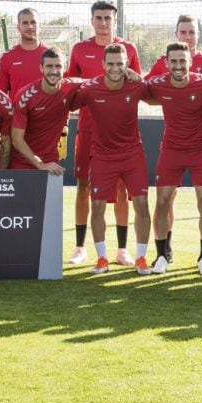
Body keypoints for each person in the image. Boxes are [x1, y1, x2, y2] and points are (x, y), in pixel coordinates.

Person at [66, 0, 141, 267]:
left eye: (108, 18)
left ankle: (122, 250)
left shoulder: (129, 49)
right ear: (91, 20)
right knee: (83, 186)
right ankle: (79, 247)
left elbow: (138, 84)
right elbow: (70, 86)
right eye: (98, 17)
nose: (103, 22)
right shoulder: (79, 49)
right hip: (88, 130)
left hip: (121, 133)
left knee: (122, 189)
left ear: (115, 20)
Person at [74, 44, 154, 275]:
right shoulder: (90, 89)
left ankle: (140, 258)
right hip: (102, 156)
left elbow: (157, 97)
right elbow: (66, 100)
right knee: (97, 206)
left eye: (120, 63)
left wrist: (139, 77)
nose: (115, 68)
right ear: (103, 65)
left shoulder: (137, 85)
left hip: (132, 154)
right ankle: (102, 259)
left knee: (141, 204)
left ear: (126, 65)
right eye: (111, 63)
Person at [145, 43, 202, 275]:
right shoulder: (158, 83)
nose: (178, 66)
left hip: (201, 148)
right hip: (172, 149)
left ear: (190, 62)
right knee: (163, 200)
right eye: (173, 61)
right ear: (166, 63)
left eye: (182, 61)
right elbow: (141, 90)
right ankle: (162, 255)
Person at [10, 48, 82, 175]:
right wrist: (40, 164)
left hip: (51, 163)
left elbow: (100, 83)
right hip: (22, 164)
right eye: (49, 66)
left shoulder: (72, 87)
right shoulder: (25, 96)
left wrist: (127, 74)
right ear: (41, 68)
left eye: (58, 66)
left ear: (64, 69)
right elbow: (17, 139)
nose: (54, 71)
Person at [146, 14, 202, 78]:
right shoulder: (163, 61)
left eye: (192, 32)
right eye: (183, 32)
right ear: (176, 34)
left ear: (198, 34)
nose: (188, 37)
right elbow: (145, 87)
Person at [0, 8, 49, 99]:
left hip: (47, 113)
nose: (30, 26)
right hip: (18, 113)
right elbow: (0, 95)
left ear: (40, 25)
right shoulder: (6, 58)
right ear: (18, 27)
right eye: (25, 23)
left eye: (33, 22)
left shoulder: (52, 55)